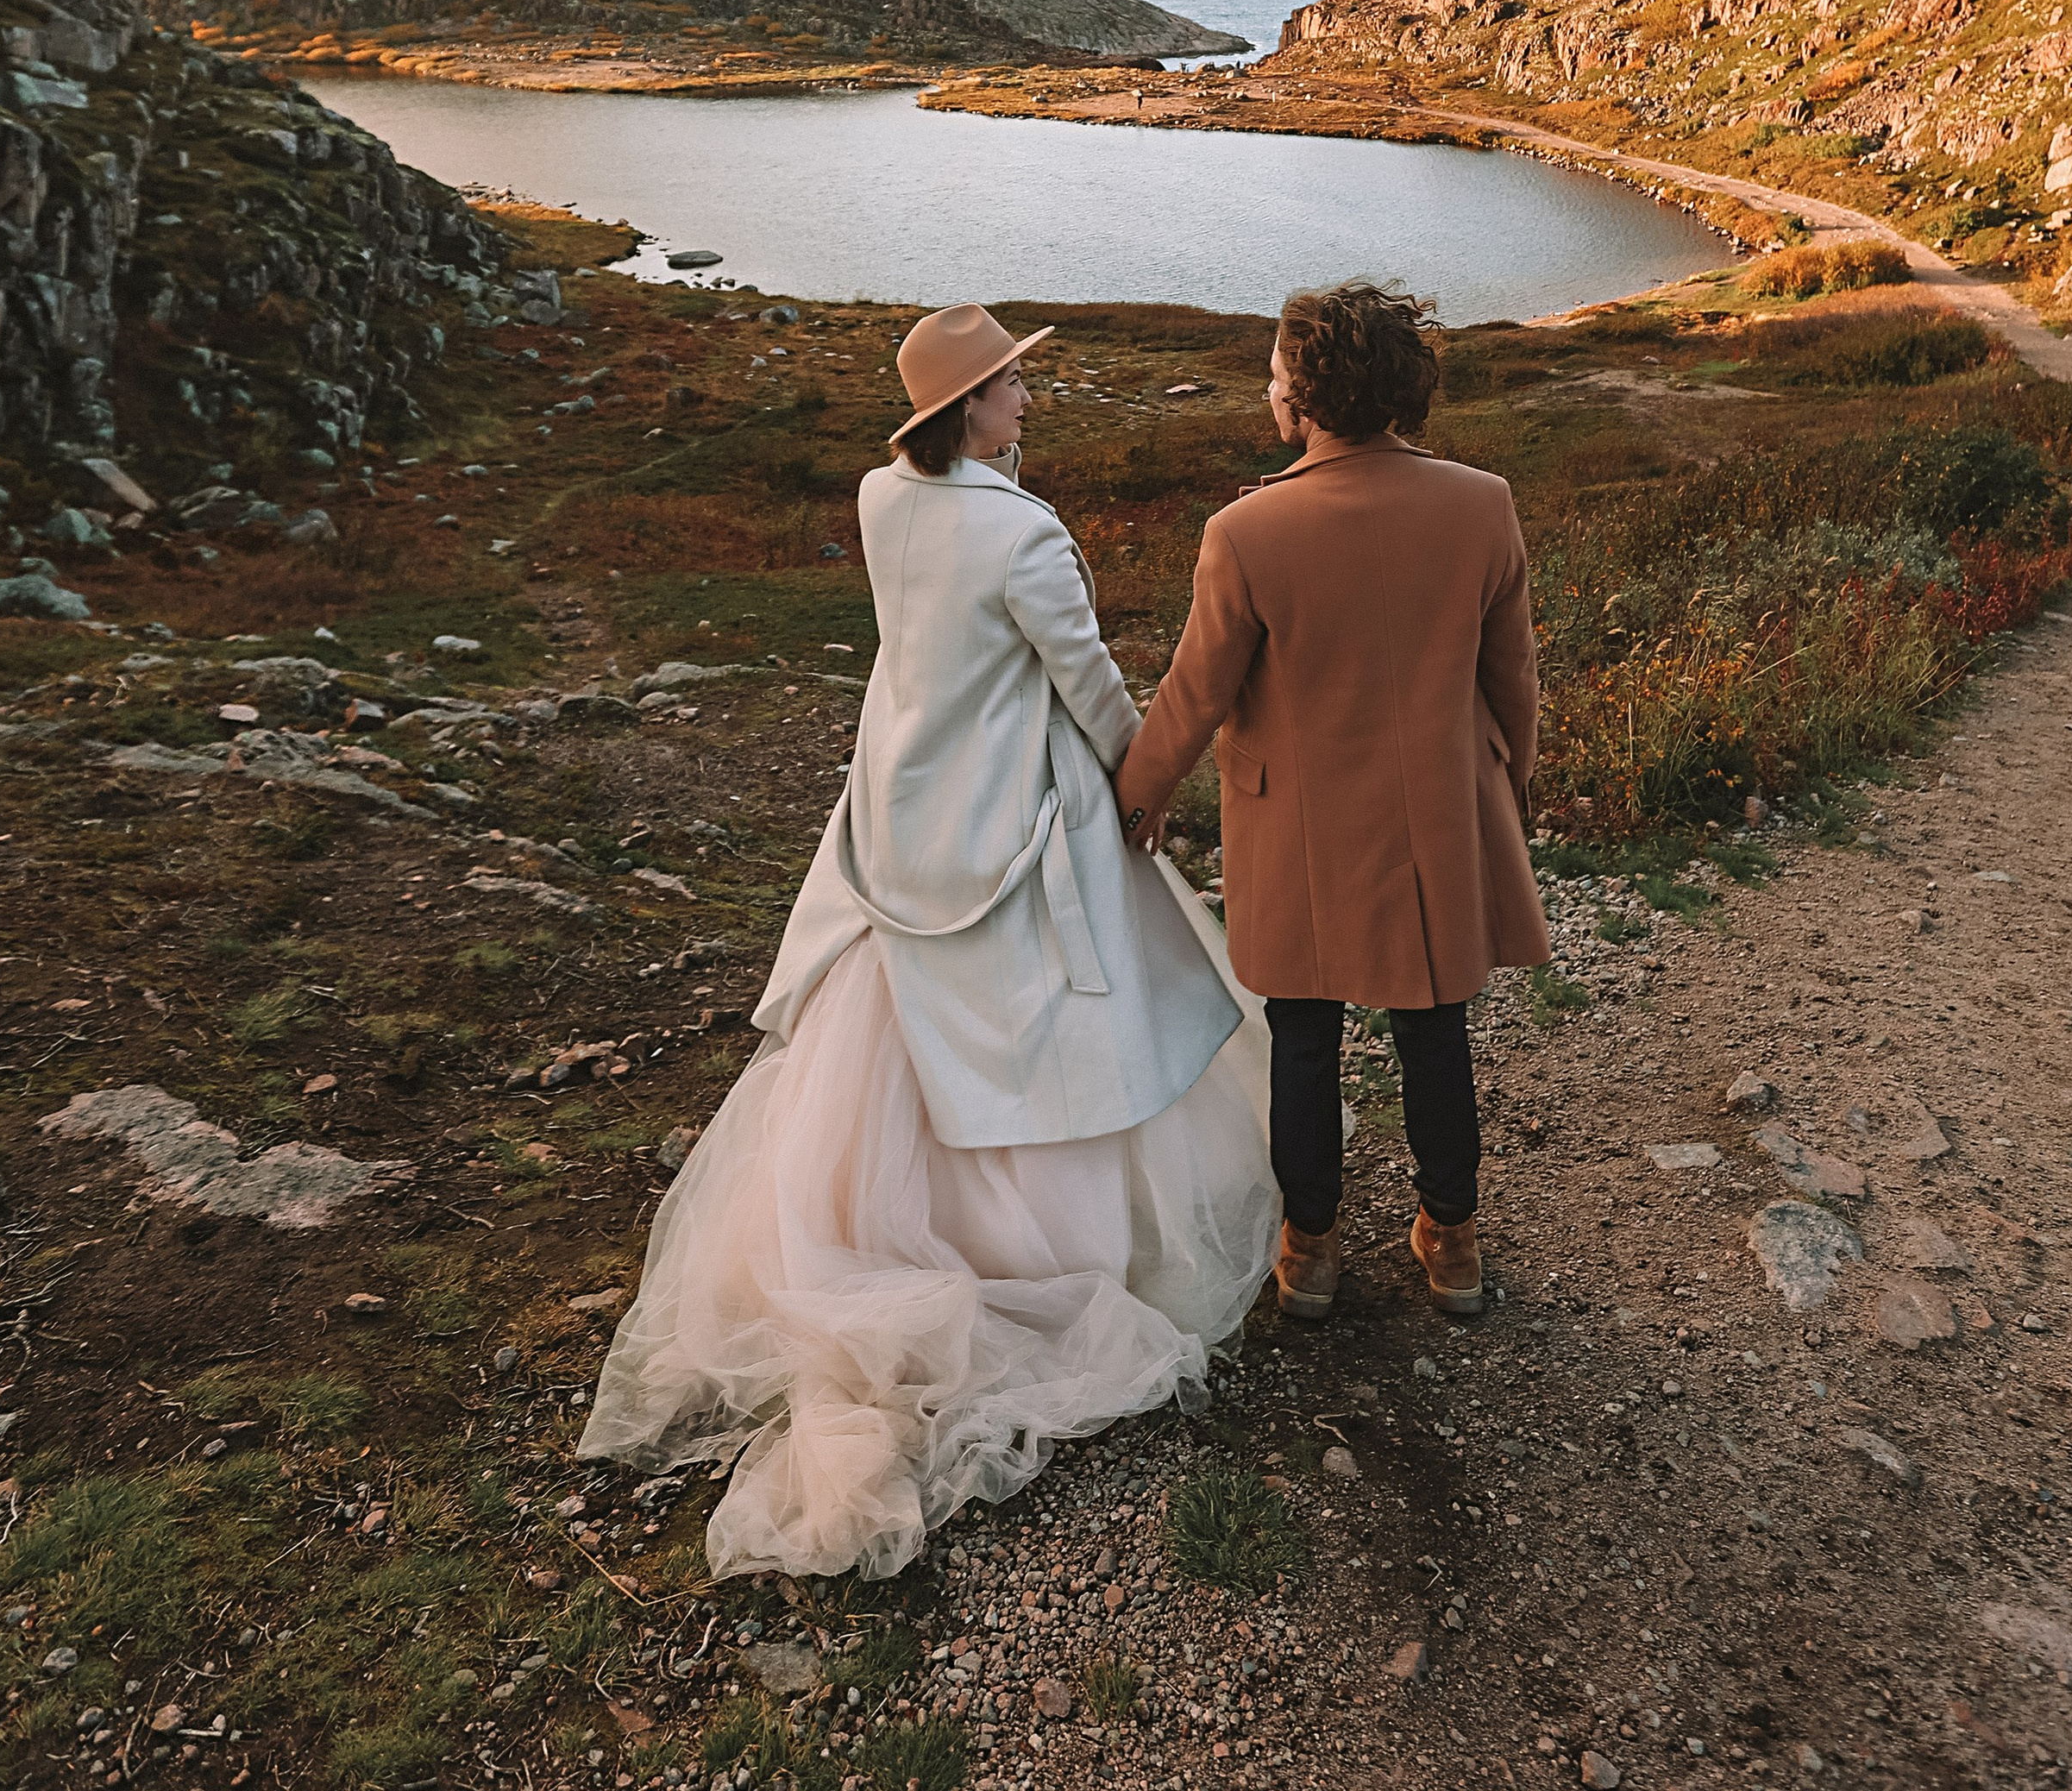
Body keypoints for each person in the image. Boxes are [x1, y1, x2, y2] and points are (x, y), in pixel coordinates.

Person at [578, 303, 1278, 1580]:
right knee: (1045, 1023)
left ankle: (891, 1226)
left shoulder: (879, 497)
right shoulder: (1024, 534)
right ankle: (1054, 1254)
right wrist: (1145, 787)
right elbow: (1087, 682)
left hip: (906, 798)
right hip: (1015, 805)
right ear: (968, 408)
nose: (1029, 398)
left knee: (894, 1027)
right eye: (1011, 384)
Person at [1114, 279, 1549, 1324]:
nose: (1268, 386)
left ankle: (1309, 1253)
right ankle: (1453, 1246)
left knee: (1303, 1044)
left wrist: (1133, 795)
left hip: (1296, 837)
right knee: (1433, 1034)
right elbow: (1513, 684)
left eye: (1273, 371)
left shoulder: (1247, 530)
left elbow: (1193, 695)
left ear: (1301, 396)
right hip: (1432, 827)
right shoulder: (1481, 504)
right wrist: (1509, 792)